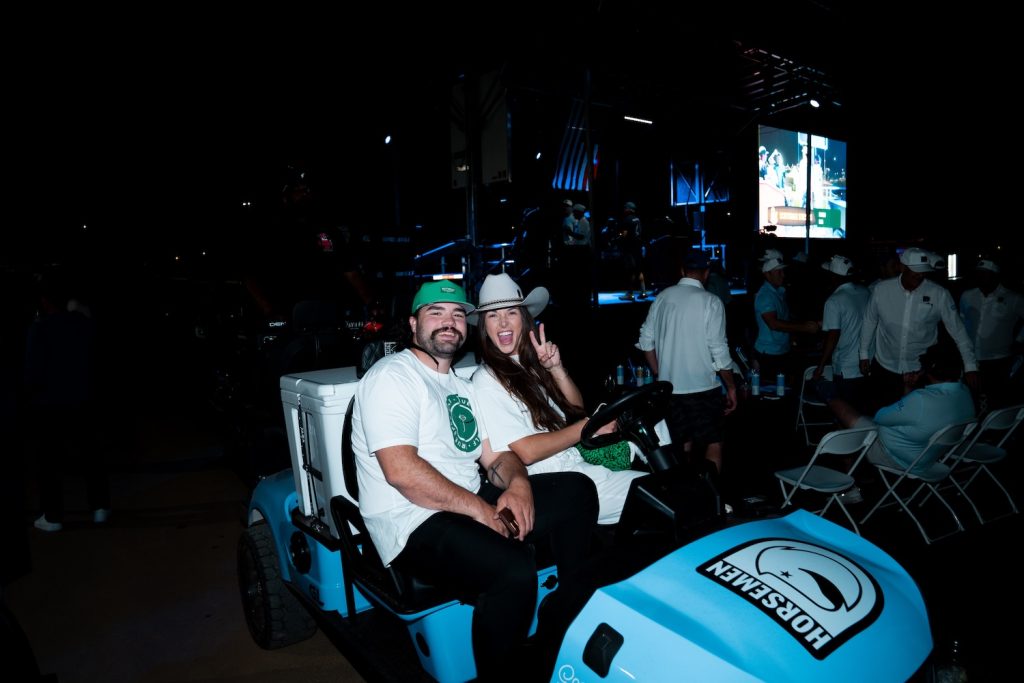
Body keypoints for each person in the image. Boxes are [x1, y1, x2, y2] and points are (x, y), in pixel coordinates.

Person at [350, 280, 599, 681]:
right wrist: (482, 511)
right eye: (435, 313)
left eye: (456, 315)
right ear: (413, 324)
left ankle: (567, 616)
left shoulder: (459, 386)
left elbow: (496, 457)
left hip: (463, 502)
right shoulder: (393, 376)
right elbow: (402, 472)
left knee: (576, 490)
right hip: (410, 521)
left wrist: (518, 486)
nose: (448, 322)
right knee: (512, 571)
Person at [470, 273, 647, 525]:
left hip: (578, 466)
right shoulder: (487, 379)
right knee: (659, 495)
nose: (503, 322)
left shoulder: (530, 365)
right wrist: (589, 426)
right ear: (484, 326)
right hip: (552, 481)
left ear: (524, 319)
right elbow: (527, 452)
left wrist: (555, 368)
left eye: (511, 312)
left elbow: (575, 408)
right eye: (493, 315)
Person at [24, 272, 110, 531]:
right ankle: (99, 506)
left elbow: (33, 371)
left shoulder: (40, 328)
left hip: (51, 403)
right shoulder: (83, 324)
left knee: (50, 461)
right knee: (90, 454)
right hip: (83, 398)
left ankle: (53, 516)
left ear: (45, 300)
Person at [636, 252, 737, 473]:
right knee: (714, 442)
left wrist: (659, 373)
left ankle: (687, 491)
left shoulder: (663, 297)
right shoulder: (711, 301)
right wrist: (731, 386)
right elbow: (719, 350)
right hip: (703, 390)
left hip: (670, 391)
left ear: (682, 270)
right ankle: (710, 492)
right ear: (706, 273)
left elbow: (645, 341)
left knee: (682, 445)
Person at [818, 343, 975, 482]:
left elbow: (880, 417)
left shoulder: (921, 399)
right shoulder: (965, 393)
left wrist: (910, 396)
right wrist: (908, 389)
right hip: (929, 457)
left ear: (929, 369)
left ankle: (821, 387)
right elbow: (917, 417)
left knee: (843, 408)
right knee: (862, 419)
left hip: (896, 457)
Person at [859, 247, 978, 411]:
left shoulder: (939, 294)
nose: (920, 275)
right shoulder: (881, 290)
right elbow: (869, 321)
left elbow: (959, 332)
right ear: (902, 267)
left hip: (921, 372)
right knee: (882, 413)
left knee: (921, 415)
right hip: (886, 366)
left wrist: (970, 366)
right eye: (915, 270)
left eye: (923, 271)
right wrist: (864, 354)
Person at [958, 258, 1024, 411]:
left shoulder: (1013, 298)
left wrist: (1020, 339)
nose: (980, 277)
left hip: (999, 359)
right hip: (971, 358)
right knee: (970, 399)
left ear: (995, 276)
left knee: (997, 400)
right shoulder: (967, 295)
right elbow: (961, 320)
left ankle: (995, 424)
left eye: (985, 274)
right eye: (978, 273)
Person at [813, 255, 873, 412]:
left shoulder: (834, 300)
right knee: (862, 413)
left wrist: (820, 366)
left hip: (846, 368)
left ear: (833, 276)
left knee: (845, 413)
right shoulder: (865, 292)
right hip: (868, 363)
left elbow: (833, 335)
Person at [753, 257, 820, 382]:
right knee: (771, 389)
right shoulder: (765, 295)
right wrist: (804, 327)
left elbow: (785, 318)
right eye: (779, 272)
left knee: (783, 388)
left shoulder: (779, 291)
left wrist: (793, 335)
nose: (783, 275)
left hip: (782, 350)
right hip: (769, 353)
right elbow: (773, 324)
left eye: (783, 271)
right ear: (767, 274)